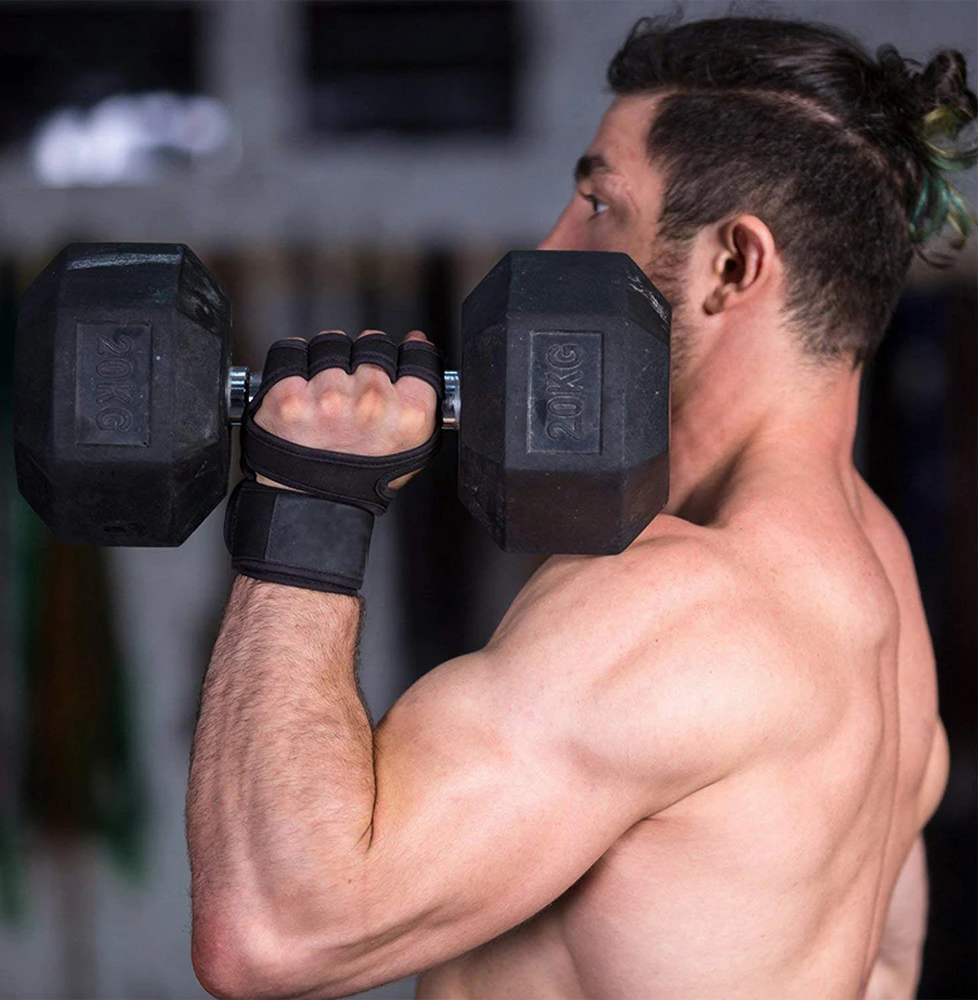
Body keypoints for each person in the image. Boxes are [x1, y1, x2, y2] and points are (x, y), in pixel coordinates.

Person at [186, 14, 976, 1000]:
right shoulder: (875, 584)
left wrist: (307, 494)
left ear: (732, 266)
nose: (548, 244)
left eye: (596, 203)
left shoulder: (686, 603)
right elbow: (884, 970)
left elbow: (267, 933)